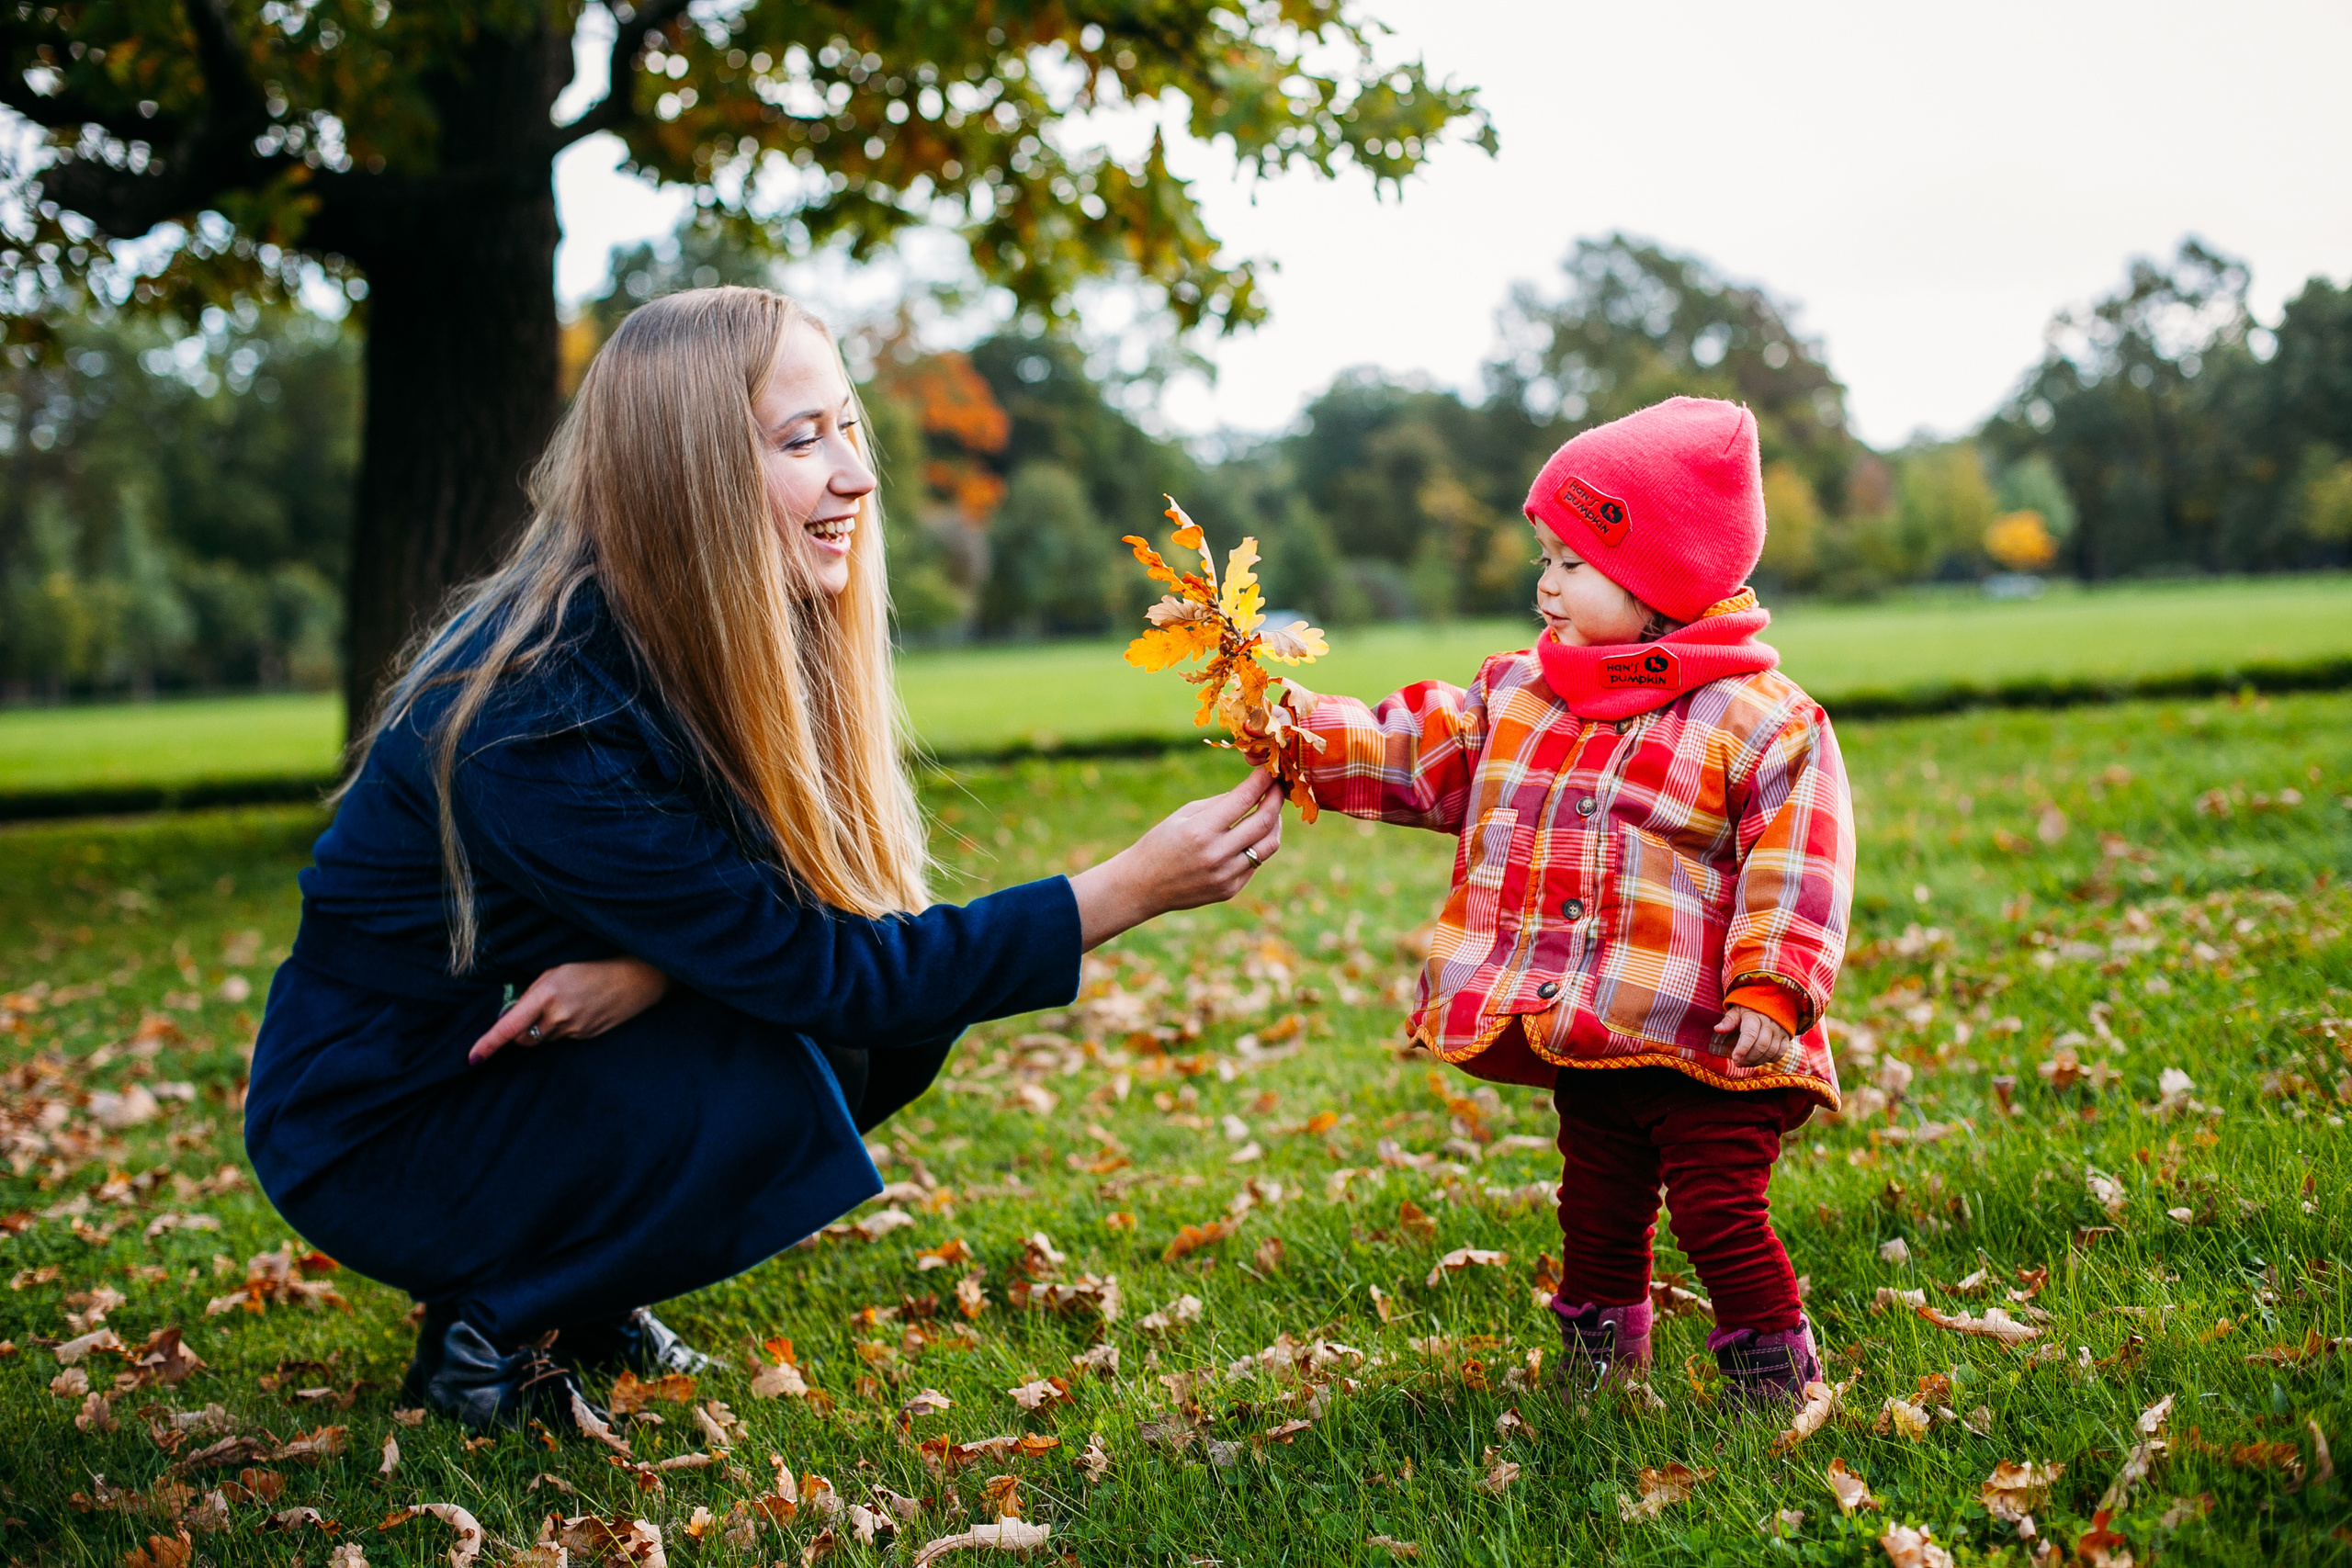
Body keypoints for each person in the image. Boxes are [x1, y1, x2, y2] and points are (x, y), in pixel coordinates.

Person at [245, 287, 1285, 1432]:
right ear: (685, 474)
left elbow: (787, 924)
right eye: (803, 440)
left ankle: (584, 1295)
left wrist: (653, 969)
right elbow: (831, 968)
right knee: (787, 1055)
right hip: (383, 1119)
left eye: (848, 427)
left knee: (869, 1033)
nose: (856, 474)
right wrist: (1126, 887)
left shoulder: (687, 629)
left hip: (503, 1052)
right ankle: (488, 1322)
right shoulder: (541, 710)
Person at [1274, 397, 1854, 1406]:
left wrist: (1772, 988)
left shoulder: (1759, 720)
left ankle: (1771, 1366)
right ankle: (1597, 1359)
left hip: (1715, 1037)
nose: (1544, 583)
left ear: (1658, 577)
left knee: (1717, 1208)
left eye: (1573, 563)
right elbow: (1420, 751)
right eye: (1543, 556)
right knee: (1594, 1200)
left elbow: (1798, 861)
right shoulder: (1522, 694)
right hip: (1586, 1020)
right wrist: (1303, 737)